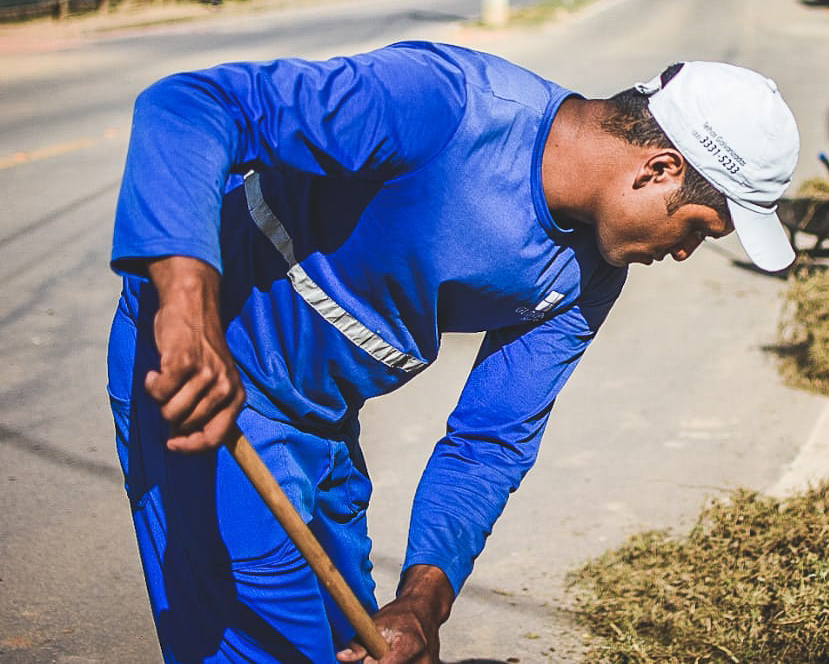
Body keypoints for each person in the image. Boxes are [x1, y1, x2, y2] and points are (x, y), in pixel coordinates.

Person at [107, 41, 799, 663]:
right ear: (658, 168)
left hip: (321, 422)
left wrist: (423, 600)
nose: (681, 252)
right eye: (700, 229)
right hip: (209, 382)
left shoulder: (589, 275)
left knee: (360, 641)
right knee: (263, 638)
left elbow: (489, 441)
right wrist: (187, 299)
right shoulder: (444, 104)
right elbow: (190, 106)